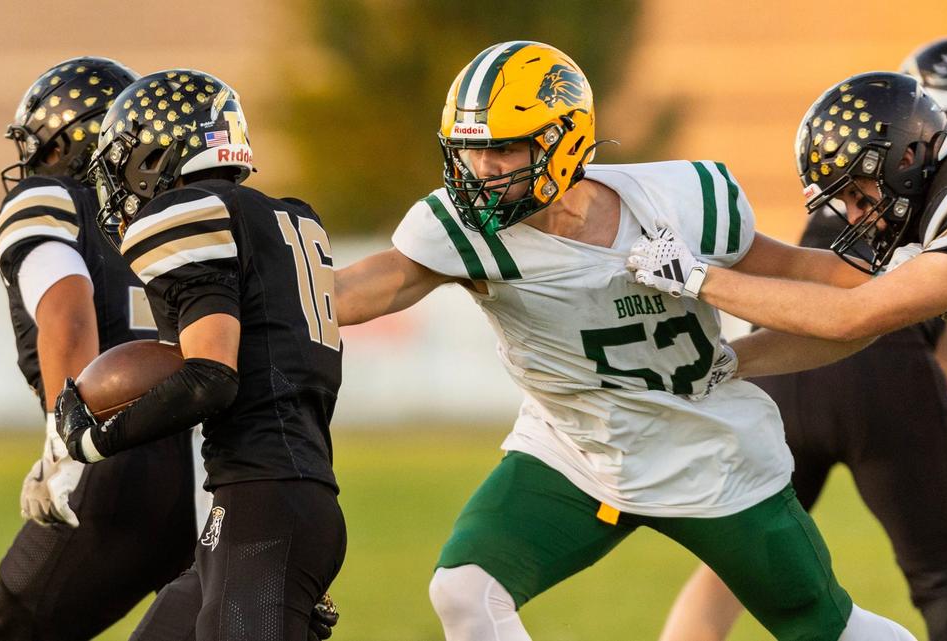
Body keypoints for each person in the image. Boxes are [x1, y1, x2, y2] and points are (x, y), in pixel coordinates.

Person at [334, 40, 916, 641]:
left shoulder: (682, 202)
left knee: (822, 626)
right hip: (574, 451)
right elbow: (368, 287)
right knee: (463, 591)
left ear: (563, 140)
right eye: (470, 150)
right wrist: (260, 294)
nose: (482, 169)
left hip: (705, 452)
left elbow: (816, 281)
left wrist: (907, 286)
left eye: (503, 148)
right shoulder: (465, 231)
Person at [627, 70, 947, 641]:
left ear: (906, 156)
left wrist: (696, 278)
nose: (853, 215)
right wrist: (730, 359)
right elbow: (843, 309)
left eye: (859, 194)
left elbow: (854, 315)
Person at [53, 68, 346, 641]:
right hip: (269, 501)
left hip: (264, 505)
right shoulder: (288, 218)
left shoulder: (186, 215)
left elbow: (211, 377)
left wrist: (93, 439)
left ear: (153, 157)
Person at [0, 57, 201, 641]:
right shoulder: (169, 219)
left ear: (71, 145)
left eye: (44, 148)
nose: (33, 163)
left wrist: (66, 442)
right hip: (207, 469)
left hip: (115, 454)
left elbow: (67, 311)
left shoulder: (49, 200)